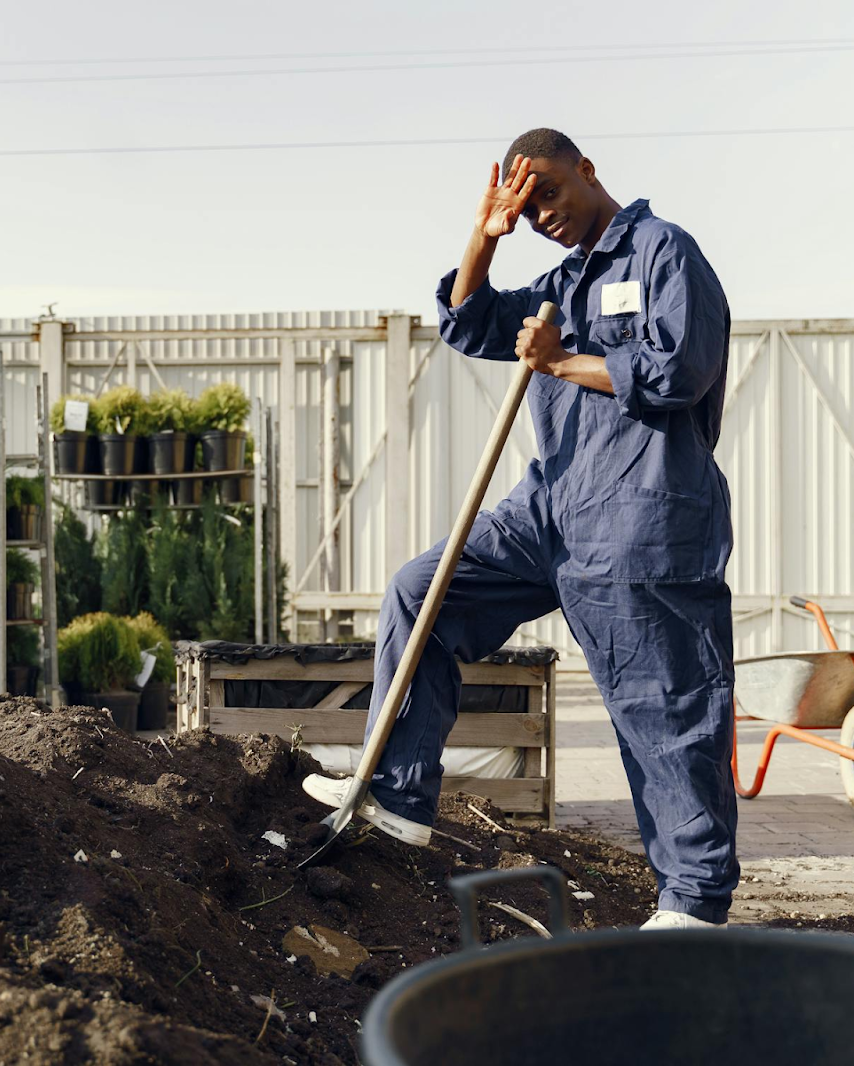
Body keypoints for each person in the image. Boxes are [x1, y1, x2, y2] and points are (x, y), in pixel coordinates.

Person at [303, 128, 738, 929]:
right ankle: (398, 796)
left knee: (663, 704)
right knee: (420, 592)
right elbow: (468, 323)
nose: (542, 215)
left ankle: (693, 903)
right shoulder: (560, 281)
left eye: (549, 195)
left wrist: (561, 360)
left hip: (643, 510)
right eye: (526, 207)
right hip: (551, 510)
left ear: (588, 170)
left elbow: (682, 371)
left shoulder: (664, 254)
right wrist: (484, 236)